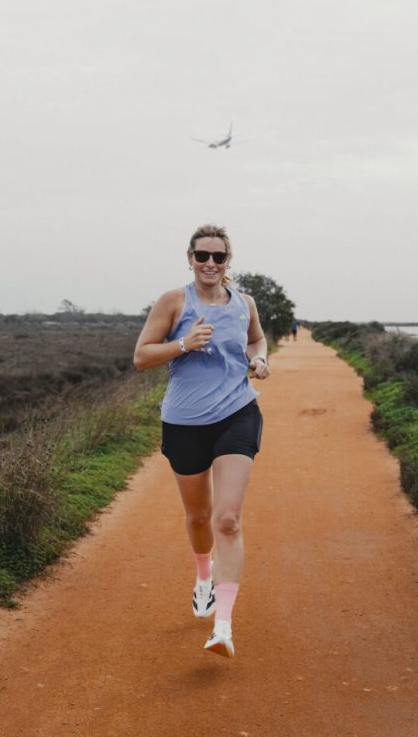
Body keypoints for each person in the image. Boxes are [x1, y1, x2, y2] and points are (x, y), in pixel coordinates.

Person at [133, 224, 269, 658]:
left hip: (237, 414)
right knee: (199, 517)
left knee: (227, 519)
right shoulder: (174, 301)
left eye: (219, 256)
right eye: (202, 256)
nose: (211, 263)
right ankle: (204, 576)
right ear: (190, 259)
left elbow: (256, 339)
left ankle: (223, 626)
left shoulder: (244, 303)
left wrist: (259, 359)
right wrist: (183, 344)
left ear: (228, 261)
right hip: (185, 422)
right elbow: (141, 356)